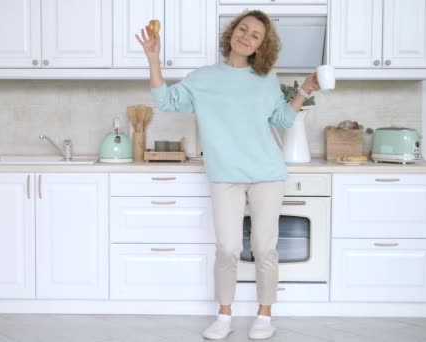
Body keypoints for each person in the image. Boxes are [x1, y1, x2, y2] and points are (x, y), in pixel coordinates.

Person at [136, 10, 320, 340]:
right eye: (243, 29)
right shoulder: (203, 78)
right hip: (225, 176)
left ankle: (264, 315)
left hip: (267, 173)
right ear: (232, 32)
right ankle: (224, 316)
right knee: (227, 248)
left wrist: (305, 89)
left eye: (255, 35)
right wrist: (153, 59)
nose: (246, 36)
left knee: (264, 247)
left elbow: (281, 119)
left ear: (261, 46)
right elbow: (165, 100)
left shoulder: (266, 81)